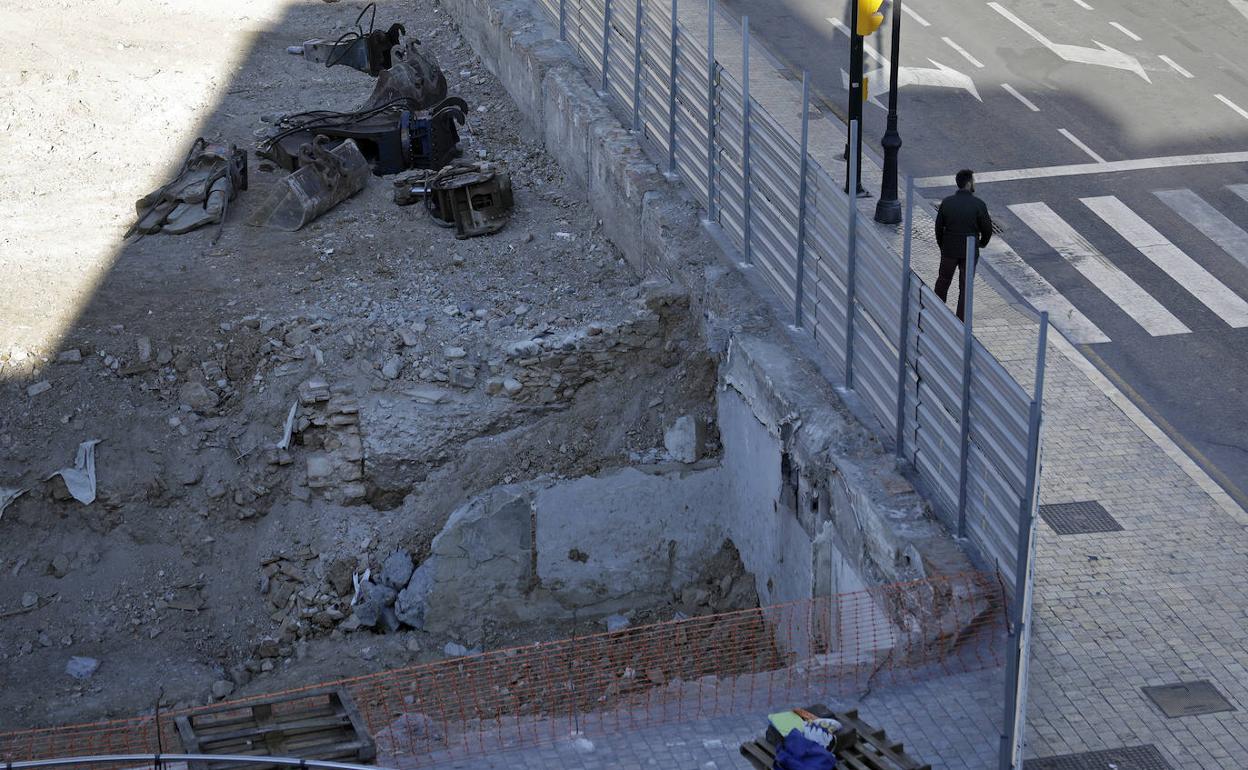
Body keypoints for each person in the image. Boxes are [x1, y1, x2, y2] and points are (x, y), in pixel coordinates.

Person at [934, 169, 993, 320]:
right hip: (969, 251)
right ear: (968, 183)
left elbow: (938, 228)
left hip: (949, 249)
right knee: (965, 287)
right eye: (973, 181)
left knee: (943, 280)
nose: (975, 183)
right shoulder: (979, 204)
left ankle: (936, 311)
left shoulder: (947, 202)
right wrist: (981, 244)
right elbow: (987, 229)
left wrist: (943, 246)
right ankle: (961, 320)